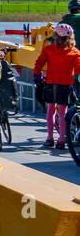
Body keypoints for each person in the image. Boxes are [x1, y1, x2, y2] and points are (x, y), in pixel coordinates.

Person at [32, 21, 80, 150]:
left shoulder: (48, 49)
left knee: (50, 111)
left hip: (50, 83)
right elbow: (79, 69)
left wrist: (37, 75)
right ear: (70, 37)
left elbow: (39, 63)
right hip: (65, 85)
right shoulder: (74, 52)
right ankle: (62, 139)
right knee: (63, 113)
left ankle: (49, 138)